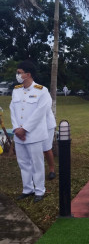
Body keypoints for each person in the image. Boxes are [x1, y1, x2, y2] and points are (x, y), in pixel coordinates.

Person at [9, 60, 51, 203]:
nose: (17, 75)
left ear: (28, 74)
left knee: (36, 163)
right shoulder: (16, 90)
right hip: (19, 135)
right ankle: (27, 189)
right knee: (23, 163)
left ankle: (39, 190)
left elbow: (40, 113)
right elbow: (12, 110)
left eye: (19, 73)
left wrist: (25, 129)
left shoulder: (42, 91)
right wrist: (16, 128)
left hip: (34, 134)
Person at [43, 106, 56, 180]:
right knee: (36, 150)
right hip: (34, 126)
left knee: (46, 148)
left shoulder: (44, 95)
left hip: (47, 124)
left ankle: (51, 170)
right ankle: (38, 171)